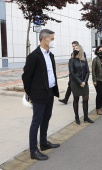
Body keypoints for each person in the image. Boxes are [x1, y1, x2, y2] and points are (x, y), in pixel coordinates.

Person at [22, 29, 60, 161]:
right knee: (36, 122)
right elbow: (26, 78)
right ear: (44, 39)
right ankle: (33, 150)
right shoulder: (34, 56)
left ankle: (43, 143)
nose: (54, 41)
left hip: (49, 92)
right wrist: (31, 94)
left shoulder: (50, 55)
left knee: (46, 118)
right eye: (52, 39)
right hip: (38, 95)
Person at [69, 44, 94, 125]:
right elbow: (72, 73)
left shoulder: (84, 60)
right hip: (76, 83)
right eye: (74, 48)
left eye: (77, 48)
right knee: (76, 100)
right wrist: (80, 82)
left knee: (86, 99)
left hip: (84, 83)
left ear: (81, 50)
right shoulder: (72, 60)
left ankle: (86, 117)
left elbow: (87, 72)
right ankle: (77, 117)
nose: (75, 49)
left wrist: (84, 82)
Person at [92, 45, 102, 115]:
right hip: (98, 79)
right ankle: (97, 109)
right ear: (97, 51)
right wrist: (94, 80)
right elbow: (93, 71)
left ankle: (100, 107)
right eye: (100, 50)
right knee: (99, 94)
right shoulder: (95, 59)